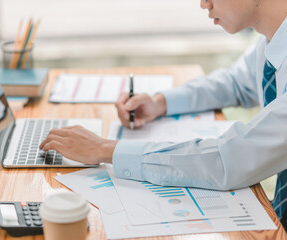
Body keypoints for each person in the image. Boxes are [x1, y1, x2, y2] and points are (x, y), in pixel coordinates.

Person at [40, 0, 287, 229]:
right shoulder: (273, 40)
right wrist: (161, 103)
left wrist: (106, 149)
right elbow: (235, 83)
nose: (204, 3)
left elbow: (228, 161)